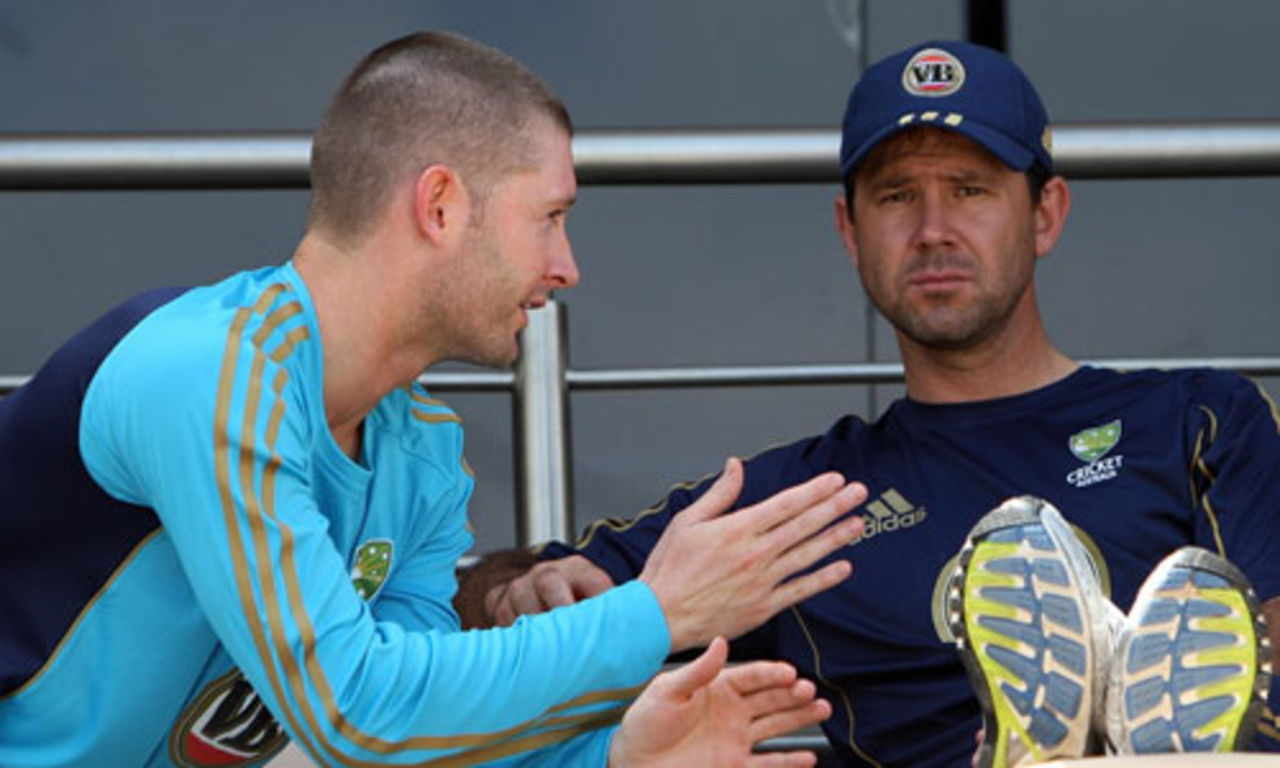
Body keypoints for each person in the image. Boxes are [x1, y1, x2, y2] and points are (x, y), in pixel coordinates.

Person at [0, 31, 873, 767]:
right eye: (551, 216)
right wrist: (654, 612)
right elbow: (354, 714)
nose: (567, 267)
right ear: (443, 206)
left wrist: (612, 754)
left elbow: (419, 729)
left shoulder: (418, 451)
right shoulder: (214, 370)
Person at [459, 40, 1280, 766]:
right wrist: (519, 593)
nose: (931, 230)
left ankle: (1112, 729)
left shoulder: (1195, 421)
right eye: (895, 197)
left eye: (970, 190)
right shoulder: (802, 505)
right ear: (850, 231)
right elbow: (480, 603)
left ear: (1046, 214)